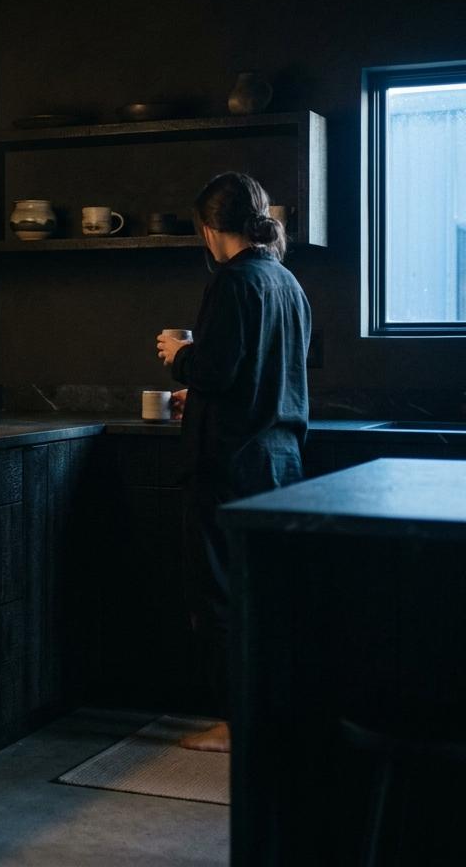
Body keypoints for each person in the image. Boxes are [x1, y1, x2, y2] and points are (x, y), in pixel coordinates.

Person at [156, 172, 311, 754]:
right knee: (267, 600)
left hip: (228, 466)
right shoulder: (287, 282)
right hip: (280, 465)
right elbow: (264, 377)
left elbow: (217, 368)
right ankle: (270, 718)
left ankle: (236, 724)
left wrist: (180, 358)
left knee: (219, 598)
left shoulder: (233, 280)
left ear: (208, 228)